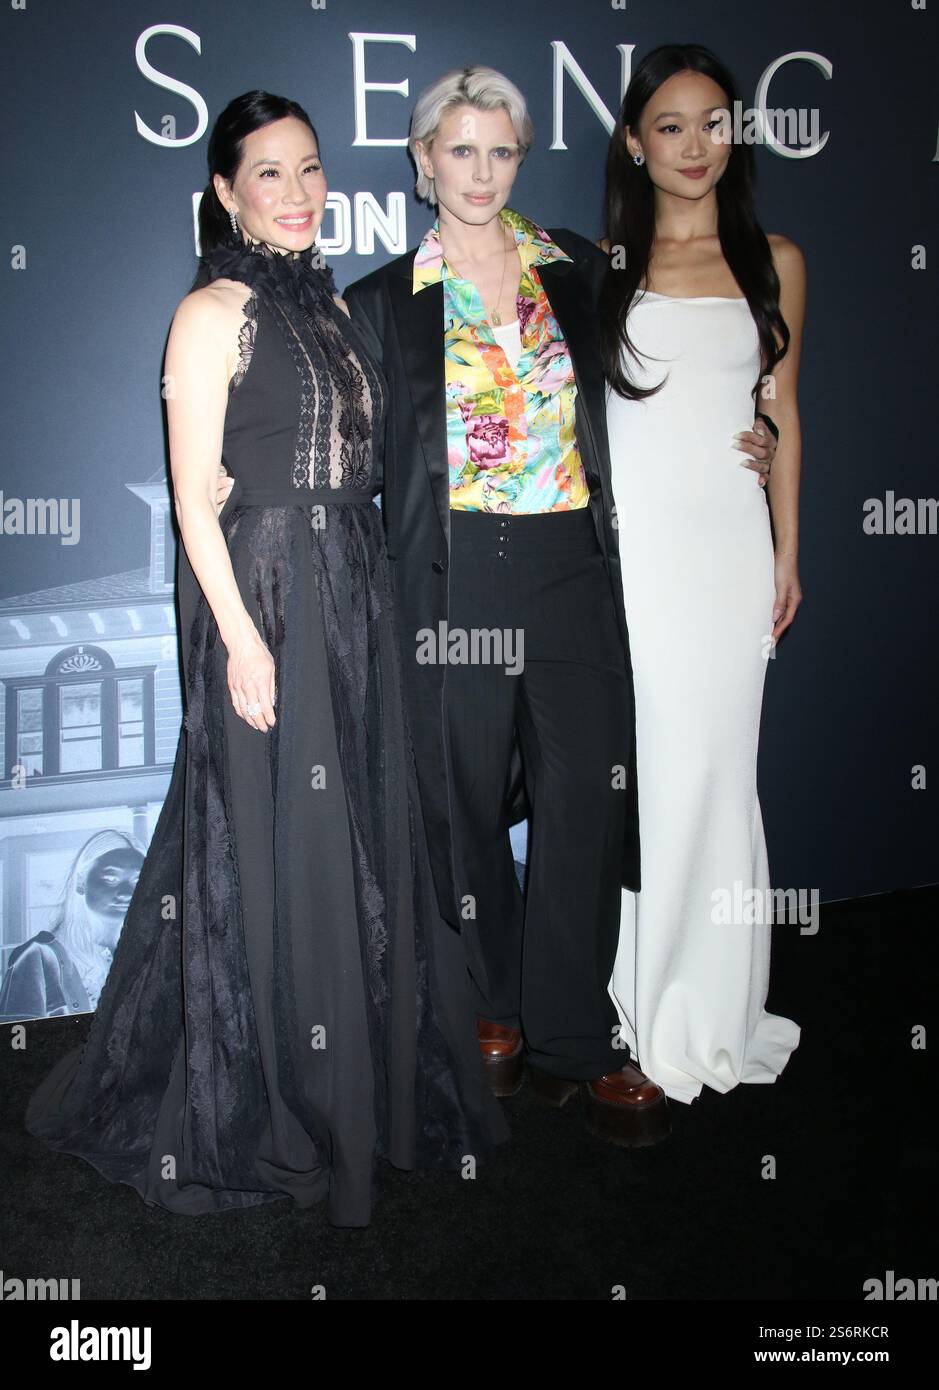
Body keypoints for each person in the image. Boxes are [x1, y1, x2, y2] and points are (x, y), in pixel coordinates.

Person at [25, 90, 508, 1225]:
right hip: (268, 602)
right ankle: (286, 1105)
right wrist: (243, 640)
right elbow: (194, 500)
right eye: (269, 175)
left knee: (356, 844)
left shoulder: (328, 310)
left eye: (310, 169)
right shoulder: (212, 312)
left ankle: (363, 1088)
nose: (297, 194)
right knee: (277, 847)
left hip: (352, 594)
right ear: (225, 195)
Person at [343, 67, 680, 1146]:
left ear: (518, 161)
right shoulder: (380, 301)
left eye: (500, 152)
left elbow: (659, 384)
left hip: (569, 566)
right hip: (457, 570)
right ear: (422, 159)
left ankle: (573, 1037)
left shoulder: (577, 269)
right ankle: (489, 1003)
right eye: (459, 150)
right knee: (466, 795)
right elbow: (350, 458)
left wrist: (762, 423)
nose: (480, 172)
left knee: (587, 792)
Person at [600, 44, 803, 1103]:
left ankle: (712, 1011)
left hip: (728, 560)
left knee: (720, 779)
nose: (694, 145)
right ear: (636, 143)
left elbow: (784, 412)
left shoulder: (775, 260)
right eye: (670, 126)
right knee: (650, 782)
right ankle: (638, 1006)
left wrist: (789, 549)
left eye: (714, 122)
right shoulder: (602, 267)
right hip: (634, 565)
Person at [0, 831, 144, 1023]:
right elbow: (18, 1047)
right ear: (81, 883)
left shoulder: (151, 954)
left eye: (138, 880)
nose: (127, 892)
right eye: (111, 879)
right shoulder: (37, 957)